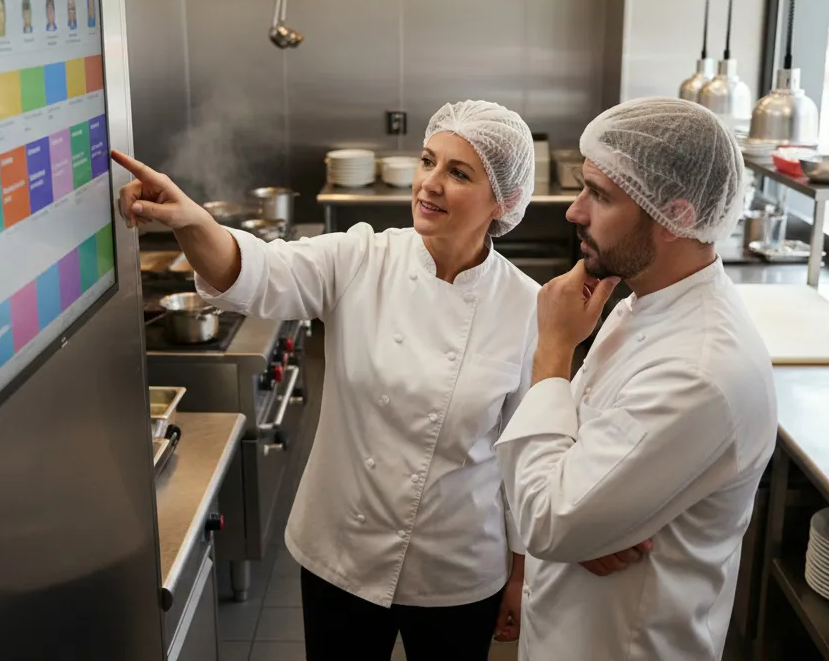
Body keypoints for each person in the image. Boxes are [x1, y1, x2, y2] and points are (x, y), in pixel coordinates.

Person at [112, 102, 650, 659]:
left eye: (458, 172)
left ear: (503, 201)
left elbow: (523, 455)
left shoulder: (527, 307)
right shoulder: (361, 257)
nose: (430, 183)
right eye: (428, 161)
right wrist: (192, 220)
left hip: (458, 565)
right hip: (343, 550)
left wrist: (519, 574)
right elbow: (256, 271)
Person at [496, 97, 777, 661]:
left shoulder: (698, 373)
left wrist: (553, 349)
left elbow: (547, 518)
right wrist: (594, 522)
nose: (574, 212)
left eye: (599, 195)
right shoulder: (643, 299)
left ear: (677, 216)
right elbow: (574, 490)